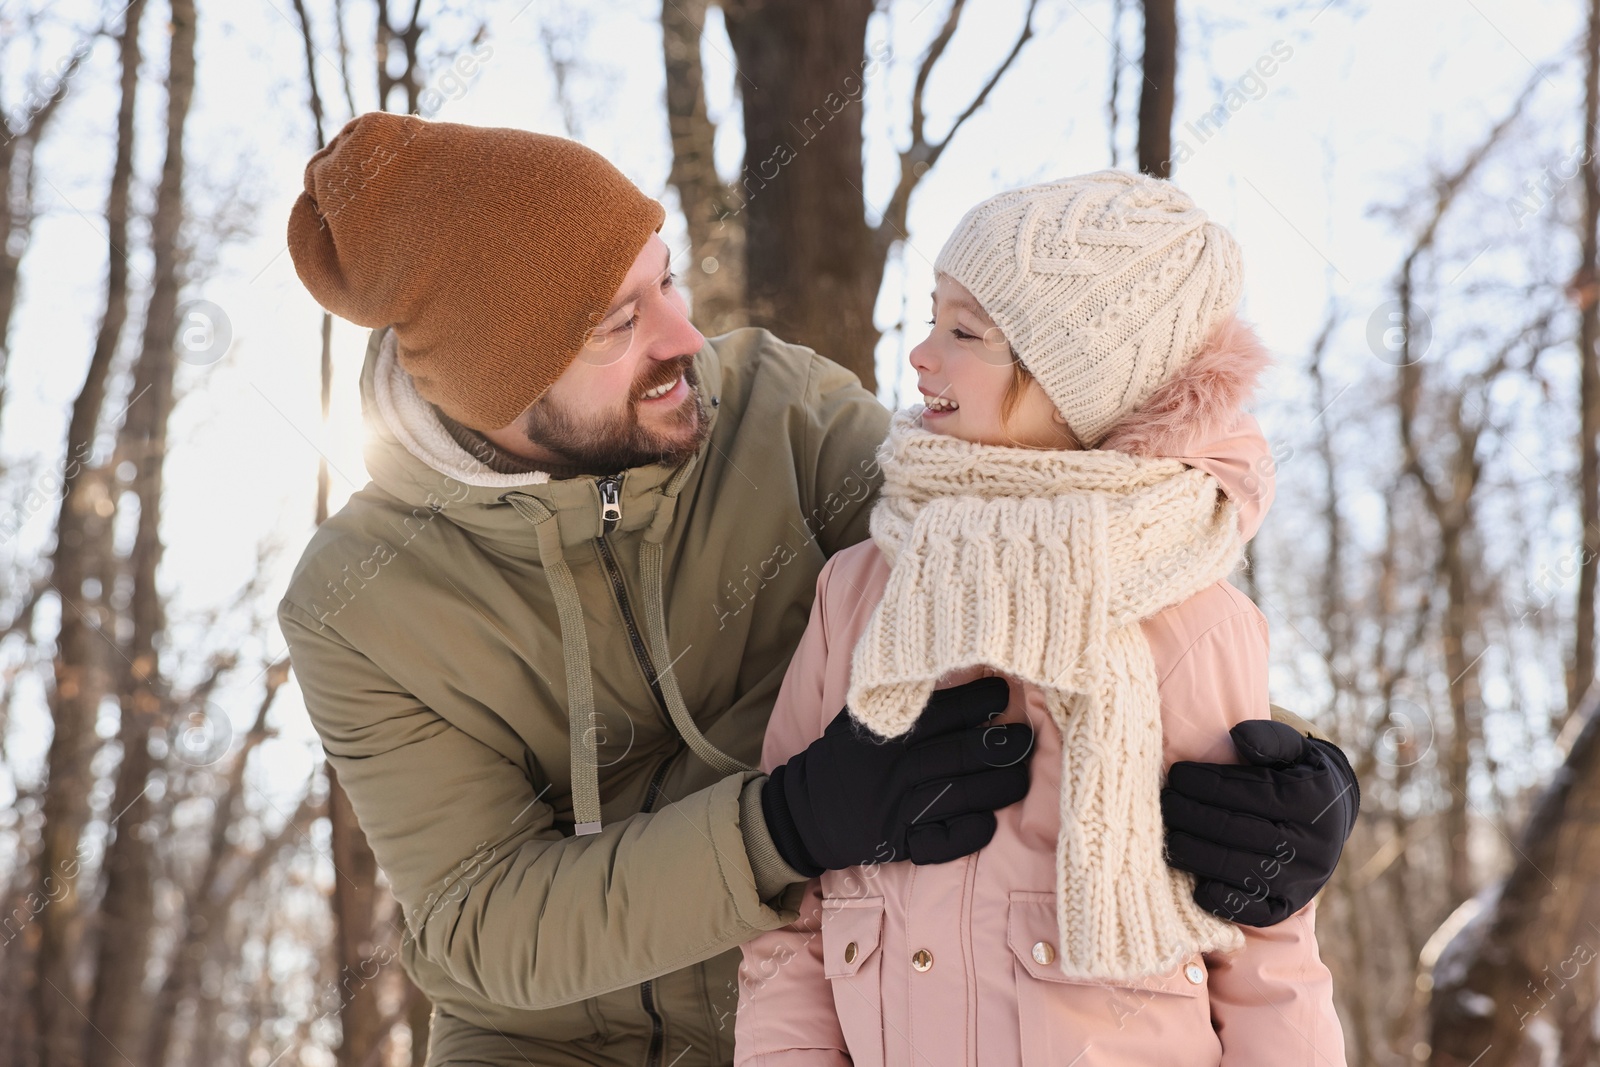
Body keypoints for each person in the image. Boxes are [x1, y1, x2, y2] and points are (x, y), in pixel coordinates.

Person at [278, 114, 1358, 1066]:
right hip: (554, 1043)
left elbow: (1049, 516)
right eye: (619, 324)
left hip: (866, 1006)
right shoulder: (360, 602)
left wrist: (1282, 780)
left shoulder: (771, 412)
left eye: (667, 280)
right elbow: (481, 922)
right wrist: (780, 827)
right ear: (491, 381)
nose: (683, 339)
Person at [734, 171, 1352, 1066]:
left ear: (1078, 384)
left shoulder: (1194, 618)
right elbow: (792, 921)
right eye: (930, 316)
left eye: (964, 331)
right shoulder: (859, 590)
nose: (920, 354)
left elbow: (1264, 939)